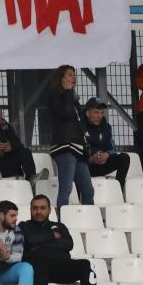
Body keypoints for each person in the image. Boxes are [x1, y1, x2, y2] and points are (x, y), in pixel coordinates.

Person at [41, 66, 93, 207]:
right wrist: (69, 92)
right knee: (66, 189)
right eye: (70, 75)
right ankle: (62, 221)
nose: (73, 78)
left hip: (78, 148)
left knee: (88, 189)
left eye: (74, 75)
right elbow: (66, 113)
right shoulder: (54, 96)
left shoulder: (72, 99)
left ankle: (88, 219)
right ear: (61, 79)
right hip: (65, 147)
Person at [18, 197, 90, 285]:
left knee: (85, 264)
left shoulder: (59, 226)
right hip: (38, 269)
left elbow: (68, 244)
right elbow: (30, 240)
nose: (38, 211)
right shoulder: (24, 226)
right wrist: (52, 235)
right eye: (35, 208)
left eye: (43, 208)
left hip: (60, 267)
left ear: (49, 210)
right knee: (40, 265)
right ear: (30, 210)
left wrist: (39, 246)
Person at [81, 99, 130, 189]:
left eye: (102, 112)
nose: (100, 116)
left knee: (124, 157)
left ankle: (118, 189)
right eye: (96, 112)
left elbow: (113, 148)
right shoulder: (79, 127)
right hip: (85, 166)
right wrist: (90, 159)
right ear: (88, 113)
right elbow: (75, 152)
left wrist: (107, 154)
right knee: (77, 163)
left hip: (101, 164)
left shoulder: (106, 127)